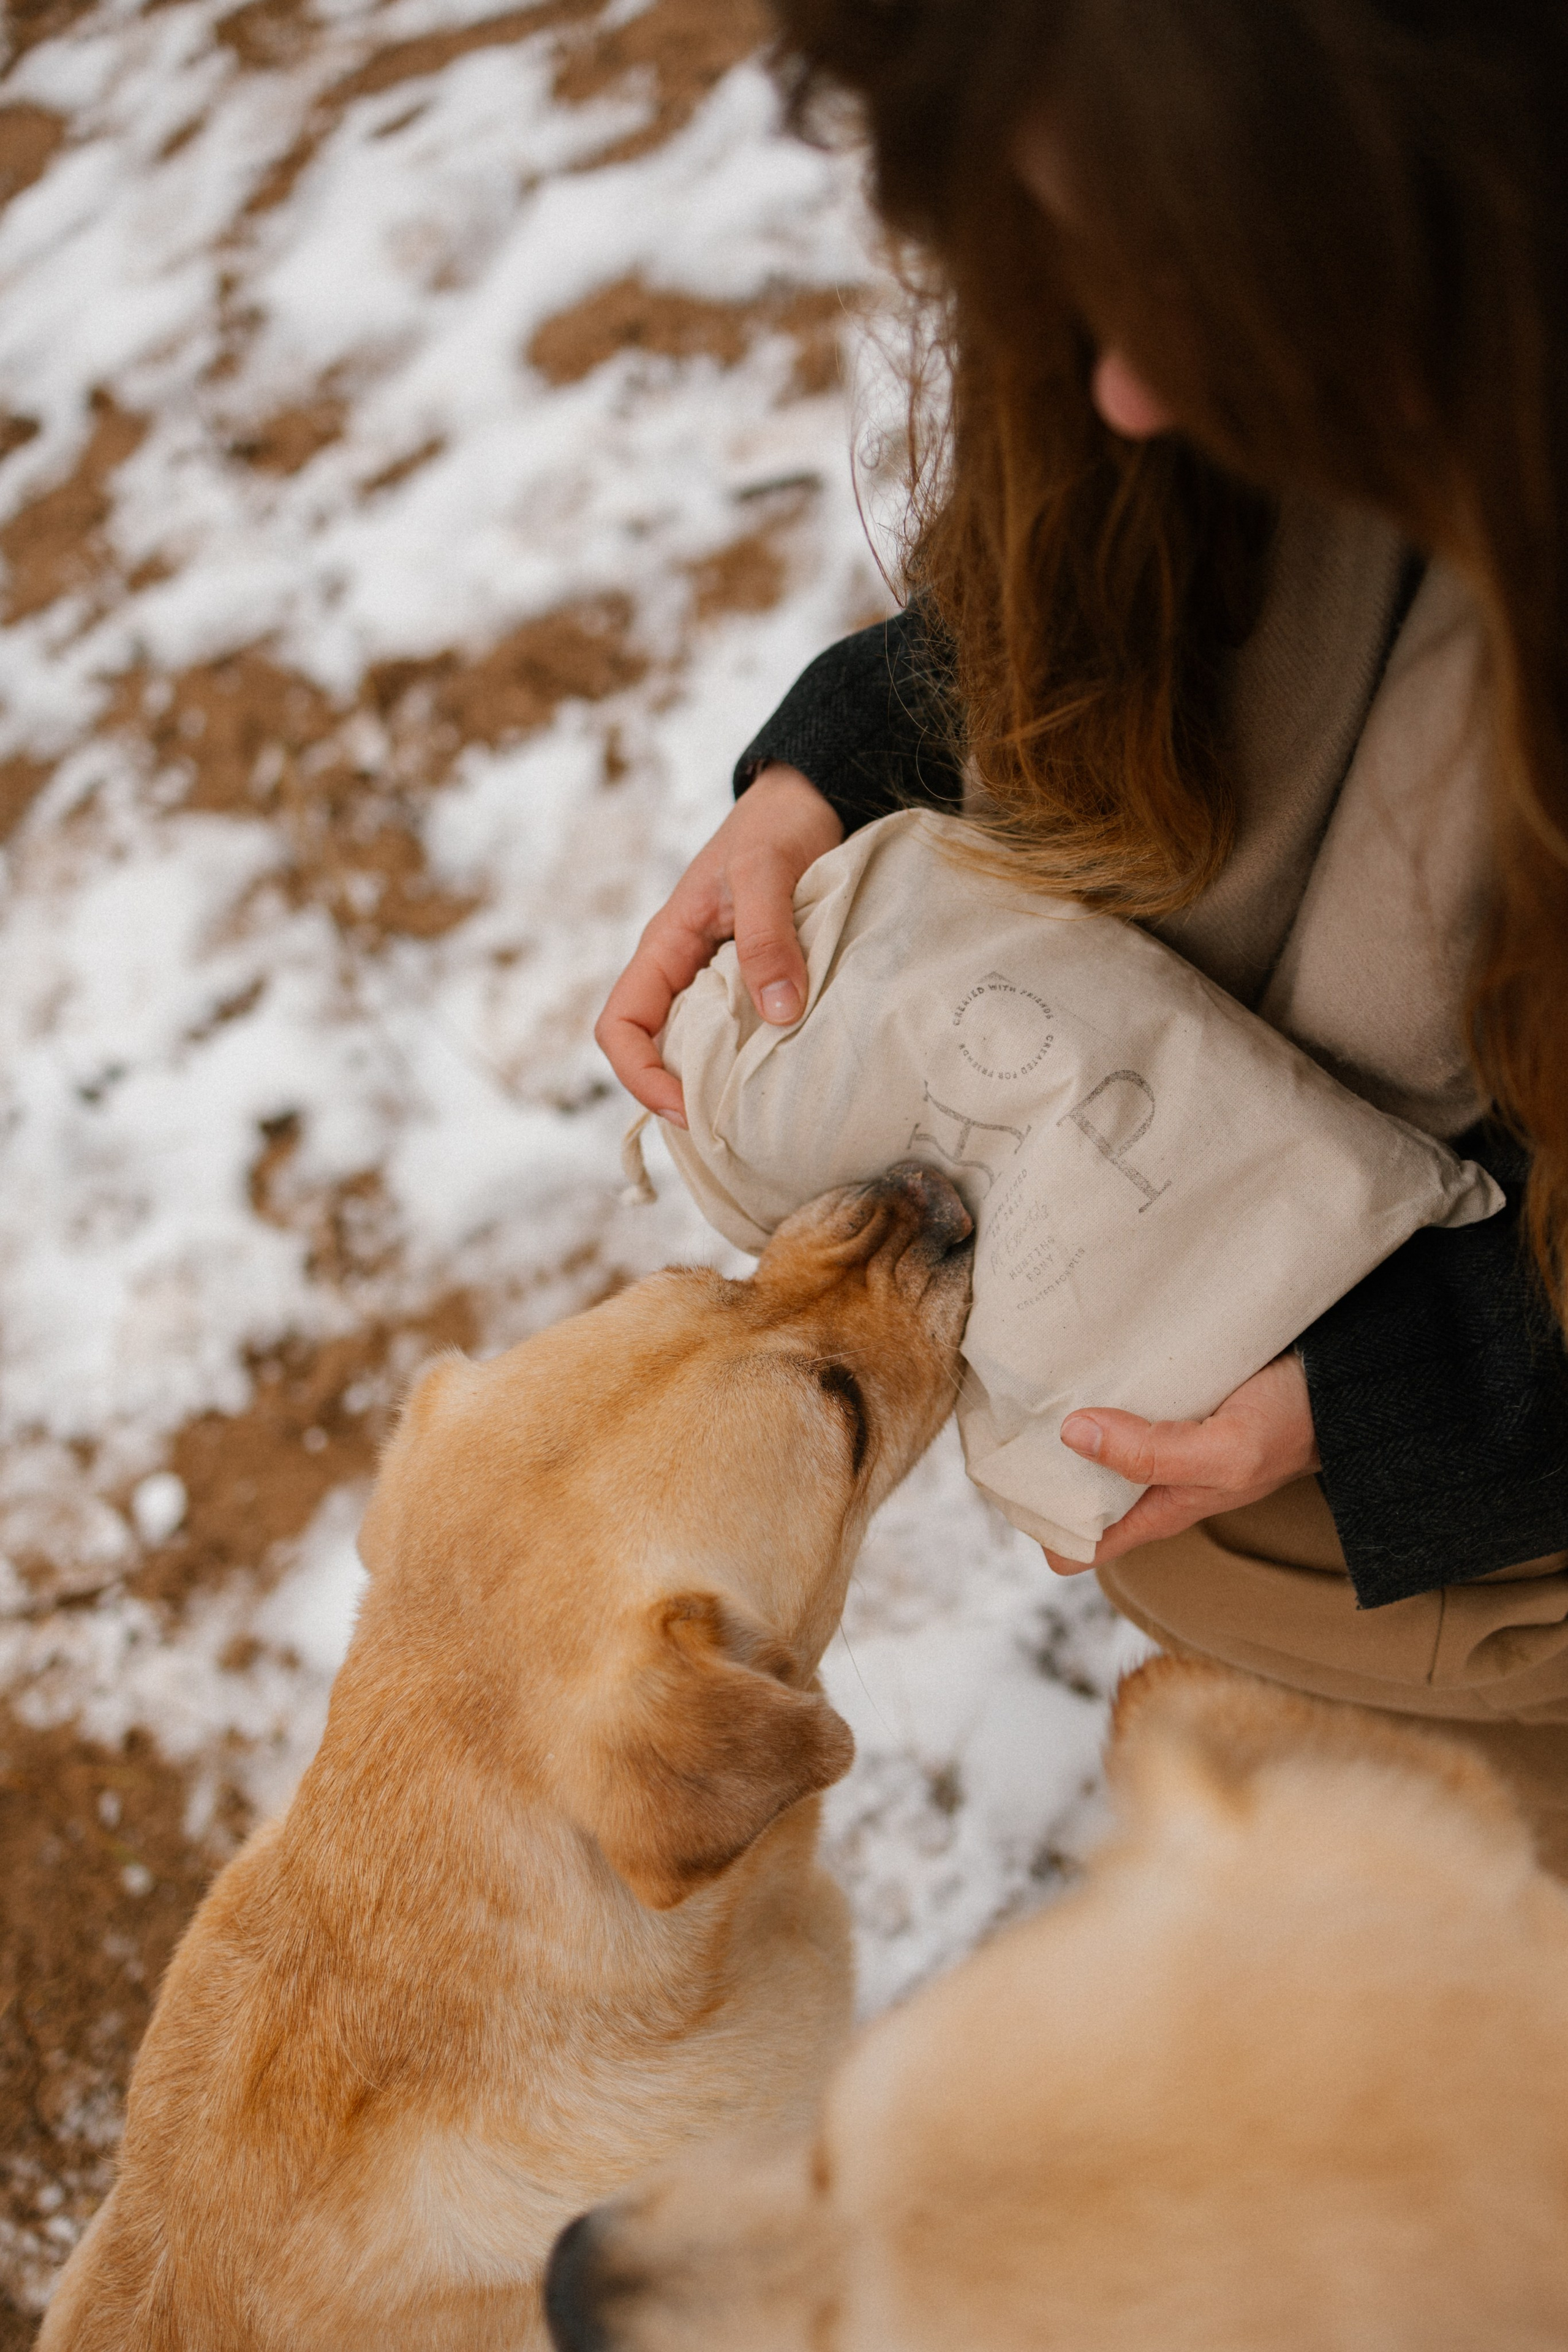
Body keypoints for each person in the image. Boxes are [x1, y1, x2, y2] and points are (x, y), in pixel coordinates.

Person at [597, 1, 1568, 1852]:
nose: (1118, 389)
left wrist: (1378, 1403)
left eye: (1188, 286)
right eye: (1073, 271)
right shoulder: (1201, 365)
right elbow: (1083, 582)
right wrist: (844, 760)